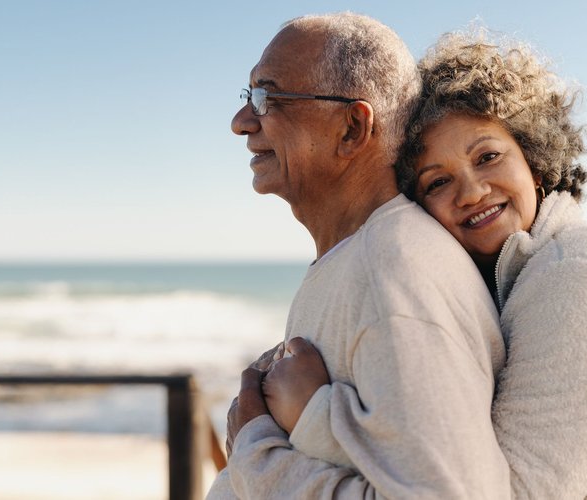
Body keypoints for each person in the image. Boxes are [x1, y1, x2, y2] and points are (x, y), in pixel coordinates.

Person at [264, 30, 587, 499]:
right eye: (437, 182)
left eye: (488, 157)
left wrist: (314, 416)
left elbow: (518, 491)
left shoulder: (569, 275)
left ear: (534, 161)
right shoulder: (508, 273)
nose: (472, 192)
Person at [207, 14, 511, 499]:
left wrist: (254, 452)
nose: (241, 122)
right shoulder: (364, 257)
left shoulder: (393, 272)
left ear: (351, 128)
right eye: (248, 98)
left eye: (267, 97)